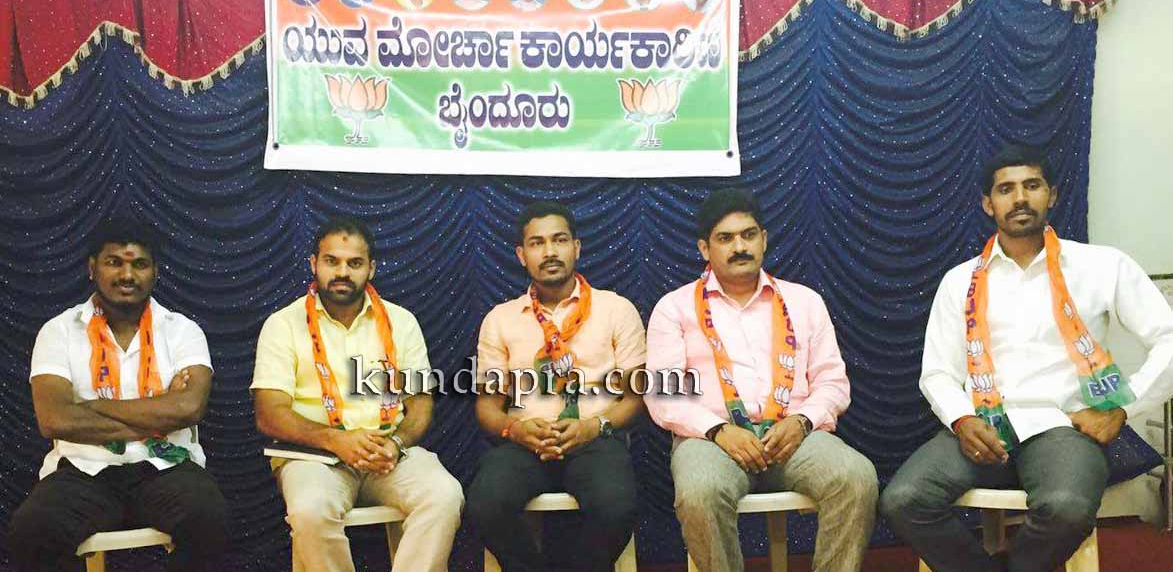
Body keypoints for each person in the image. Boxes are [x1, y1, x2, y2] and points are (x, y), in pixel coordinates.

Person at [880, 146, 1173, 572]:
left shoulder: (1102, 266)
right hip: (983, 427)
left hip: (1065, 427)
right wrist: (962, 419)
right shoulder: (959, 281)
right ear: (988, 203)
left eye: (1031, 185)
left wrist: (1123, 409)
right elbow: (938, 372)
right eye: (1006, 189)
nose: (1019, 198)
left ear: (1051, 194)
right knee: (903, 500)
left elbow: (1168, 338)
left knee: (1067, 508)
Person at [645, 189, 878, 572]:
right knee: (700, 490)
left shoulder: (804, 302)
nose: (740, 247)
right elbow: (663, 394)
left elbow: (832, 382)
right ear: (704, 248)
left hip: (794, 436)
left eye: (748, 235)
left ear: (764, 239)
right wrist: (718, 430)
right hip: (711, 440)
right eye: (725, 238)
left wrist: (802, 421)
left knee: (856, 477)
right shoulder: (674, 308)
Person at [8, 216, 227, 572]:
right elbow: (54, 420)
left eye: (139, 264)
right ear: (92, 268)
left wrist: (91, 405)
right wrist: (160, 413)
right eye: (114, 262)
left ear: (155, 272)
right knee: (31, 531)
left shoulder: (182, 331)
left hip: (166, 466)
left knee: (209, 518)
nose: (127, 275)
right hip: (83, 469)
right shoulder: (59, 331)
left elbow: (188, 408)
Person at [251, 216, 462, 572]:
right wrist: (335, 440)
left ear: (371, 269)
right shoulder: (283, 324)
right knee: (310, 510)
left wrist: (396, 443)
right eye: (331, 261)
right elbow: (269, 413)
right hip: (315, 457)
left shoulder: (401, 321)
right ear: (314, 264)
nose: (342, 273)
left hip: (387, 453)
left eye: (355, 263)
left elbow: (420, 404)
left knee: (444, 495)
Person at [468, 201, 646, 571]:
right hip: (525, 442)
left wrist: (592, 427)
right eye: (537, 243)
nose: (550, 252)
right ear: (521, 255)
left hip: (596, 438)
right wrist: (516, 430)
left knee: (617, 505)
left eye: (560, 240)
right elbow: (487, 406)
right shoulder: (500, 319)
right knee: (485, 503)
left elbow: (635, 398)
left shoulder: (616, 309)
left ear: (576, 247)